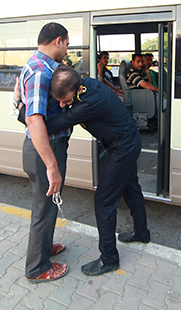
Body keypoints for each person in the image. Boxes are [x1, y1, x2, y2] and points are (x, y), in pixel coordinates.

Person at [45, 66, 150, 276]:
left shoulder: (88, 103)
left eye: (66, 101)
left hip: (122, 149)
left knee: (104, 202)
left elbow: (51, 126)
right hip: (129, 140)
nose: (62, 105)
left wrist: (21, 108)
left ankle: (109, 259)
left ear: (76, 90)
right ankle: (141, 233)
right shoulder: (88, 84)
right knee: (131, 188)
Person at [18, 22, 71, 283]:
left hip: (44, 149)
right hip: (45, 151)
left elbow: (18, 98)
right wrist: (51, 165)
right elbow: (34, 119)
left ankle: (45, 248)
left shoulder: (34, 64)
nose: (67, 50)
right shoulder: (41, 71)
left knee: (48, 205)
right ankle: (37, 268)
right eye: (67, 44)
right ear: (57, 41)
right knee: (44, 208)